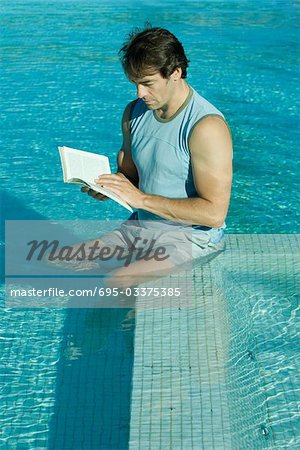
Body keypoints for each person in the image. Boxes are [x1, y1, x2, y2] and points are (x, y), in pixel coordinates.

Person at [81, 26, 233, 287]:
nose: (140, 93)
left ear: (175, 73)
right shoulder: (134, 113)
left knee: (116, 281)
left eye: (148, 83)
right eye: (135, 83)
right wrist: (109, 187)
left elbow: (214, 213)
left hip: (192, 237)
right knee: (69, 260)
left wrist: (140, 198)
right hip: (144, 225)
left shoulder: (206, 127)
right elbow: (131, 176)